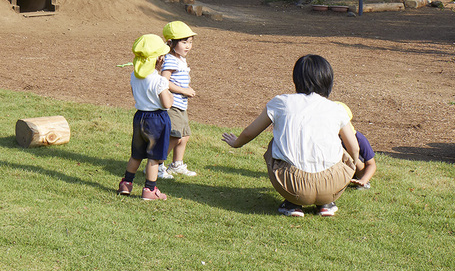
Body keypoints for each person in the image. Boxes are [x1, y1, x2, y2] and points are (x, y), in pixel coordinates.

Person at [220, 53, 362, 217]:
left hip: (292, 185)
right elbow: (354, 148)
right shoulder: (336, 108)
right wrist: (350, 169)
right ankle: (326, 203)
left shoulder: (281, 102)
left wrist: (236, 143)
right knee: (341, 150)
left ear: (296, 79)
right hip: (333, 184)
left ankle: (293, 204)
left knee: (274, 143)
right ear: (328, 80)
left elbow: (250, 132)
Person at [117, 34, 173, 201]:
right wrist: (169, 94)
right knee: (154, 157)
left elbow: (135, 94)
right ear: (159, 59)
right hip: (157, 119)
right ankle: (149, 190)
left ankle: (126, 183)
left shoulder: (134, 76)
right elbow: (166, 104)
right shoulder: (159, 80)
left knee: (136, 154)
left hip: (140, 116)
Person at [160, 21, 198, 178]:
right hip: (172, 104)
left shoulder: (181, 59)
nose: (188, 46)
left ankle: (177, 164)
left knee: (184, 136)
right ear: (171, 43)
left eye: (190, 42)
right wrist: (183, 90)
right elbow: (163, 81)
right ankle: (157, 165)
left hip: (182, 104)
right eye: (184, 42)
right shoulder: (170, 59)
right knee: (175, 136)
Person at [335, 101, 377, 189]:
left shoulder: (359, 138)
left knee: (353, 156)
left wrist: (364, 180)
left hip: (355, 170)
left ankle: (360, 181)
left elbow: (371, 164)